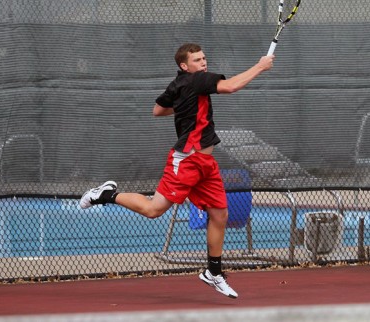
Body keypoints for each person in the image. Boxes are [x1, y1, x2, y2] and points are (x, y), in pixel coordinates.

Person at [79, 43, 274, 299]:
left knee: (220, 214)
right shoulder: (197, 80)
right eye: (197, 59)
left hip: (206, 164)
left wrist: (185, 106)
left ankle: (213, 273)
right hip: (187, 161)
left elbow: (158, 110)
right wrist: (261, 66)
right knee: (154, 210)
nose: (203, 62)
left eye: (204, 58)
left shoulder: (178, 84)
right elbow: (231, 86)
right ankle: (105, 194)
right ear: (185, 66)